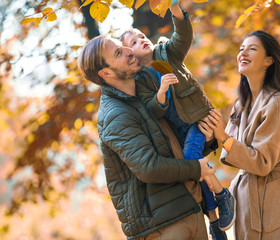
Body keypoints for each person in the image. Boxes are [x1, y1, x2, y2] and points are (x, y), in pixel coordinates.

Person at [77, 35, 218, 240]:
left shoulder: (145, 96)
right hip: (163, 227)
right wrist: (197, 169)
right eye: (119, 52)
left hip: (188, 209)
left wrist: (207, 138)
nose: (129, 51)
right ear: (105, 73)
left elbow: (174, 146)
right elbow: (149, 168)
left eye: (124, 46)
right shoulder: (115, 114)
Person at [120, 1, 235, 238]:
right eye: (134, 42)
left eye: (141, 36)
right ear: (130, 54)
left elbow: (183, 36)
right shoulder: (140, 80)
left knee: (193, 162)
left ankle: (223, 195)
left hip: (196, 119)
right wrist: (161, 93)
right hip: (178, 130)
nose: (142, 39)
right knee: (192, 171)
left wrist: (175, 10)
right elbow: (152, 109)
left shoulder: (166, 53)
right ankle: (214, 220)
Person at [202, 30, 280, 240]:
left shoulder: (279, 103)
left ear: (269, 60)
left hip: (279, 203)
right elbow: (231, 155)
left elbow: (261, 162)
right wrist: (212, 135)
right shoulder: (241, 105)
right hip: (246, 202)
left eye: (252, 49)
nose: (243, 53)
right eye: (242, 48)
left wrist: (223, 136)